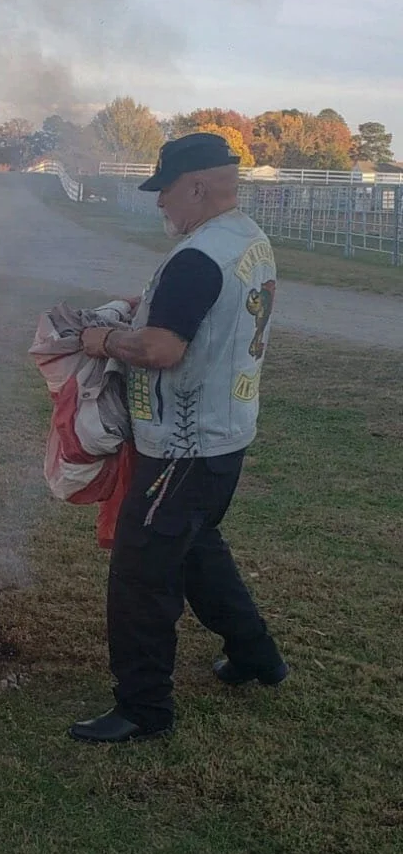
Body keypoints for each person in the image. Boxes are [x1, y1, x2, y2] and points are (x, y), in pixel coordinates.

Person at [69, 131, 288, 744]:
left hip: (184, 448)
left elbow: (163, 349)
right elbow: (201, 311)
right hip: (224, 437)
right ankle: (256, 655)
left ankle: (144, 709)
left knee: (140, 572)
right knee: (196, 549)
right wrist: (142, 307)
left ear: (195, 186)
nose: (159, 202)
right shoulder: (248, 238)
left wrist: (102, 340)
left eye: (164, 189)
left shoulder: (198, 256)